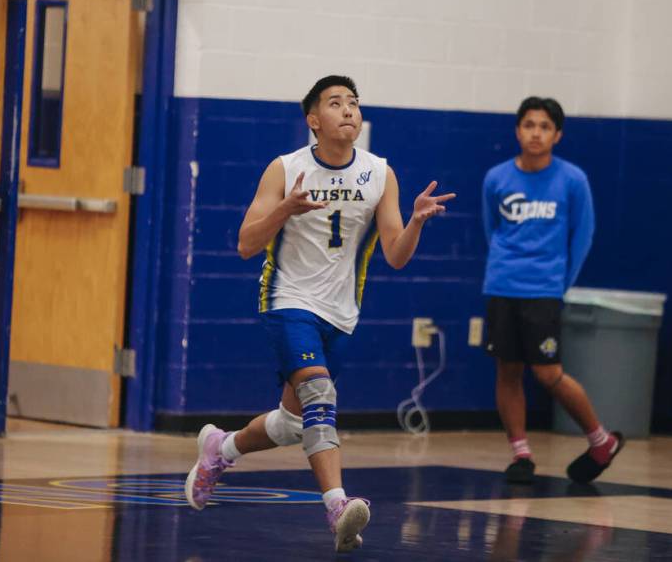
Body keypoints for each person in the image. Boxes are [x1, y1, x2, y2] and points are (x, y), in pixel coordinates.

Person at [182, 75, 455, 551]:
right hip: (288, 299)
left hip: (341, 313)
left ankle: (219, 450)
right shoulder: (285, 169)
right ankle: (336, 506)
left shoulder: (378, 173)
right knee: (320, 393)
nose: (348, 110)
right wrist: (284, 209)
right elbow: (247, 244)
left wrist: (413, 222)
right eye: (335, 103)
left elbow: (395, 254)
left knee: (293, 422)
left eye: (353, 102)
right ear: (314, 120)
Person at [481, 96, 623, 485]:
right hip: (502, 285)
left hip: (544, 289)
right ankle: (521, 453)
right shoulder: (496, 178)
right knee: (507, 370)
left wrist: (560, 283)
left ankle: (600, 439)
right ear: (517, 130)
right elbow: (490, 229)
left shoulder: (572, 179)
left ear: (557, 134)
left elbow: (584, 234)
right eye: (529, 124)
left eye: (544, 126)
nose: (535, 133)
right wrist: (503, 268)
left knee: (548, 373)